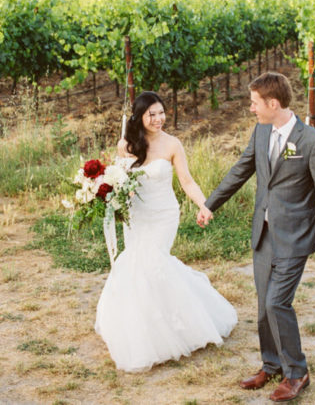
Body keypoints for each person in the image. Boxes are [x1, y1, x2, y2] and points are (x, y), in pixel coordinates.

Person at [197, 72, 315, 402]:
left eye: (255, 103)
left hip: (295, 236)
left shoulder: (312, 142)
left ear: (273, 104)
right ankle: (271, 364)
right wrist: (210, 204)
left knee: (278, 302)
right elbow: (240, 170)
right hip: (263, 234)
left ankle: (297, 372)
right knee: (264, 306)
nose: (251, 109)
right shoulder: (261, 132)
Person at [95, 91, 237, 372]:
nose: (159, 119)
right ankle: (143, 332)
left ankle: (182, 328)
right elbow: (118, 179)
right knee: (137, 267)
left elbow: (186, 180)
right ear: (139, 116)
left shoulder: (173, 144)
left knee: (153, 263)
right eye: (152, 114)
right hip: (136, 216)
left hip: (163, 215)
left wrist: (203, 205)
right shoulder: (126, 145)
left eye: (161, 113)